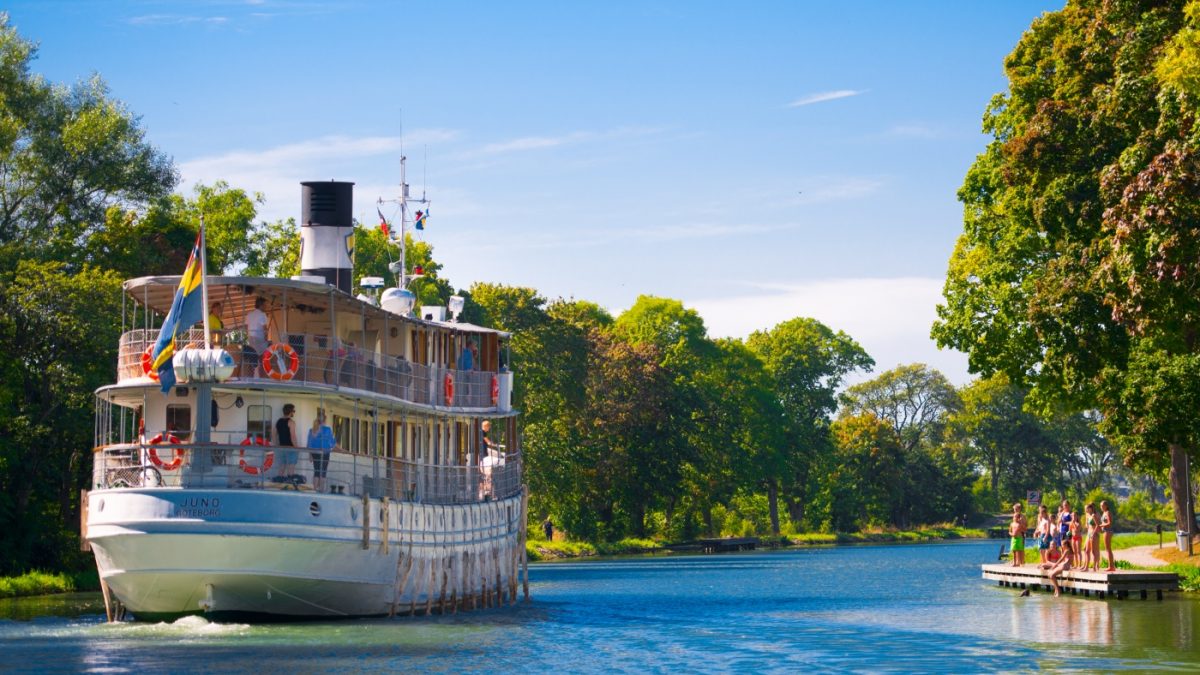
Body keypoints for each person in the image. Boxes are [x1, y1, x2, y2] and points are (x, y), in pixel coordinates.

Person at [307, 411, 339, 493]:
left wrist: (310, 455)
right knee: (323, 471)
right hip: (324, 452)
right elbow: (332, 443)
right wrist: (340, 449)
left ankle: (314, 489)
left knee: (316, 471)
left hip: (314, 453)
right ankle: (321, 490)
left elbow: (309, 443)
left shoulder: (312, 430)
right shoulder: (327, 429)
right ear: (325, 420)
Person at [245, 297, 270, 375]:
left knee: (252, 355)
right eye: (265, 305)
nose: (266, 307)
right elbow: (265, 328)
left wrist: (249, 335)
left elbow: (246, 326)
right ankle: (261, 374)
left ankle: (250, 374)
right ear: (261, 305)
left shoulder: (249, 314)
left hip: (250, 337)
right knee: (262, 356)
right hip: (259, 338)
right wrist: (266, 339)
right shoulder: (262, 315)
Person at [275, 403, 298, 481]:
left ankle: (278, 484)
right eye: (293, 411)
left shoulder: (278, 421)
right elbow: (293, 436)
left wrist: (277, 445)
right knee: (291, 467)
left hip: (281, 448)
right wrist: (296, 448)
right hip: (290, 448)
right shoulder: (291, 422)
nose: (294, 413)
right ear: (290, 412)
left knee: (282, 467)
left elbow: (273, 434)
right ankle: (290, 486)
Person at [1083, 503, 1101, 572]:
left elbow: (1097, 525)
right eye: (1085, 509)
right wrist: (1086, 525)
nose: (1085, 510)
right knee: (1086, 550)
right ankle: (1086, 567)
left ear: (1090, 508)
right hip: (1088, 533)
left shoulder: (1094, 515)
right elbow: (1087, 525)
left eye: (1087, 508)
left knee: (1094, 551)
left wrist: (1093, 533)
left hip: (1094, 534)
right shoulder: (1087, 515)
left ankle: (1095, 566)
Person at [1009, 502, 1027, 567]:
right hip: (1014, 535)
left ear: (1019, 509)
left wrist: (1020, 528)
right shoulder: (1014, 516)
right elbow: (1012, 526)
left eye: (1015, 509)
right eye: (1014, 509)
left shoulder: (1022, 516)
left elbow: (1025, 526)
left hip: (1021, 534)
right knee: (1015, 549)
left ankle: (1021, 562)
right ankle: (1016, 562)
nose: (1014, 510)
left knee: (1021, 549)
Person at [1100, 500, 1116, 571]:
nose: (1101, 507)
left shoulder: (1108, 512)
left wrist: (1101, 525)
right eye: (1100, 506)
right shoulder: (1104, 513)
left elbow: (1110, 523)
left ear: (1106, 506)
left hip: (1108, 531)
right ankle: (1111, 566)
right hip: (1105, 531)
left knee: (1108, 549)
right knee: (1107, 549)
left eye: (1103, 505)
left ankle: (1111, 566)